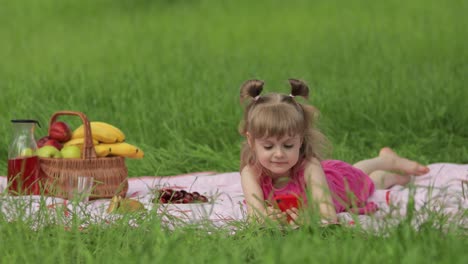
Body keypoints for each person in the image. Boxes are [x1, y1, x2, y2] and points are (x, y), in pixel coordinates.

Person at [238, 79, 430, 226]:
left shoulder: (309, 167)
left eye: (288, 146)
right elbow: (255, 215)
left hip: (340, 188)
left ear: (300, 140)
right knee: (359, 171)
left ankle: (387, 165)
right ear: (251, 141)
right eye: (268, 147)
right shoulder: (251, 172)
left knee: (365, 180)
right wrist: (269, 218)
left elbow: (327, 214)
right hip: (330, 178)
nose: (279, 154)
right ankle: (384, 163)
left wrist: (309, 218)